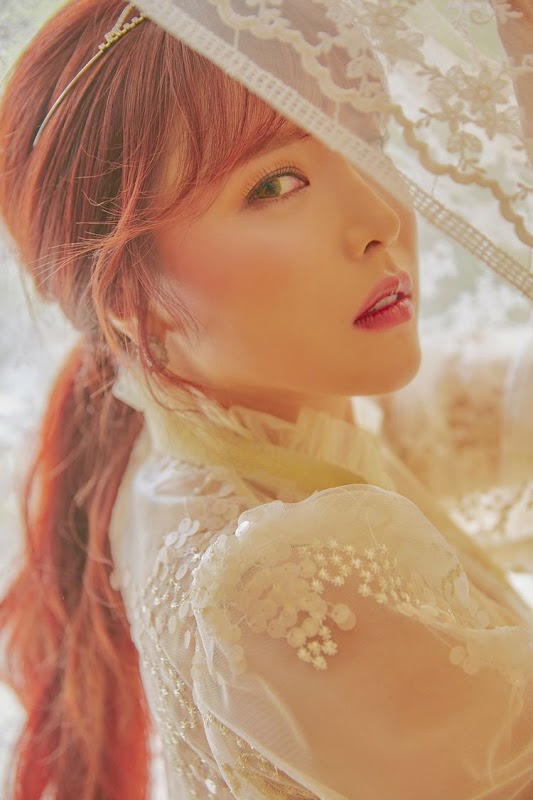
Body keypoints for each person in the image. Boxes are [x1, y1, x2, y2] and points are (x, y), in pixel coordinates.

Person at [0, 1, 532, 798]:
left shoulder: (243, 428)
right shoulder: (284, 575)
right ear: (130, 299)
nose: (381, 219)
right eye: (276, 184)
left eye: (365, 139)